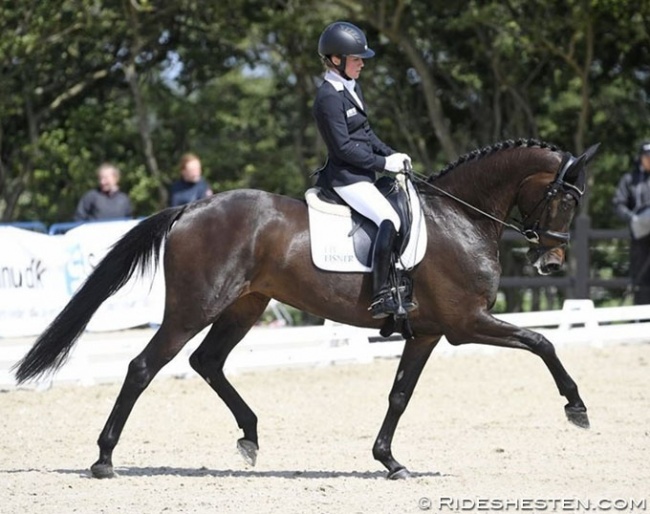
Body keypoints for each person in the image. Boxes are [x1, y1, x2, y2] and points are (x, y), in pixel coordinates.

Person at [312, 21, 413, 319]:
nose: (362, 64)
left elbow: (366, 134)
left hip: (363, 173)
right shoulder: (328, 97)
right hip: (346, 178)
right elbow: (343, 148)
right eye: (356, 59)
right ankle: (381, 294)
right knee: (389, 219)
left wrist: (392, 153)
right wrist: (383, 165)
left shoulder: (351, 88)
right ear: (335, 60)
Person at [612, 141, 650, 304]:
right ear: (641, 158)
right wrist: (631, 218)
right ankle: (641, 320)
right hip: (640, 237)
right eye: (647, 157)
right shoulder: (630, 179)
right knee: (640, 278)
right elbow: (618, 203)